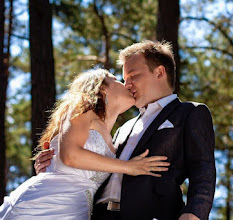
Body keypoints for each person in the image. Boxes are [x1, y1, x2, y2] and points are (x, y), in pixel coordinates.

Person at [35, 40, 216, 220]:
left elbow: (203, 169)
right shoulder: (123, 128)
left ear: (159, 72)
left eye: (134, 76)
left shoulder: (190, 112)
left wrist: (194, 214)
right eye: (124, 79)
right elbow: (96, 167)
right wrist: (56, 165)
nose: (127, 84)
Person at [0, 69, 170, 220]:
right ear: (102, 87)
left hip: (76, 212)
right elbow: (70, 156)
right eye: (117, 79)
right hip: (44, 205)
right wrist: (129, 167)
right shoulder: (82, 107)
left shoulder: (114, 140)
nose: (126, 84)